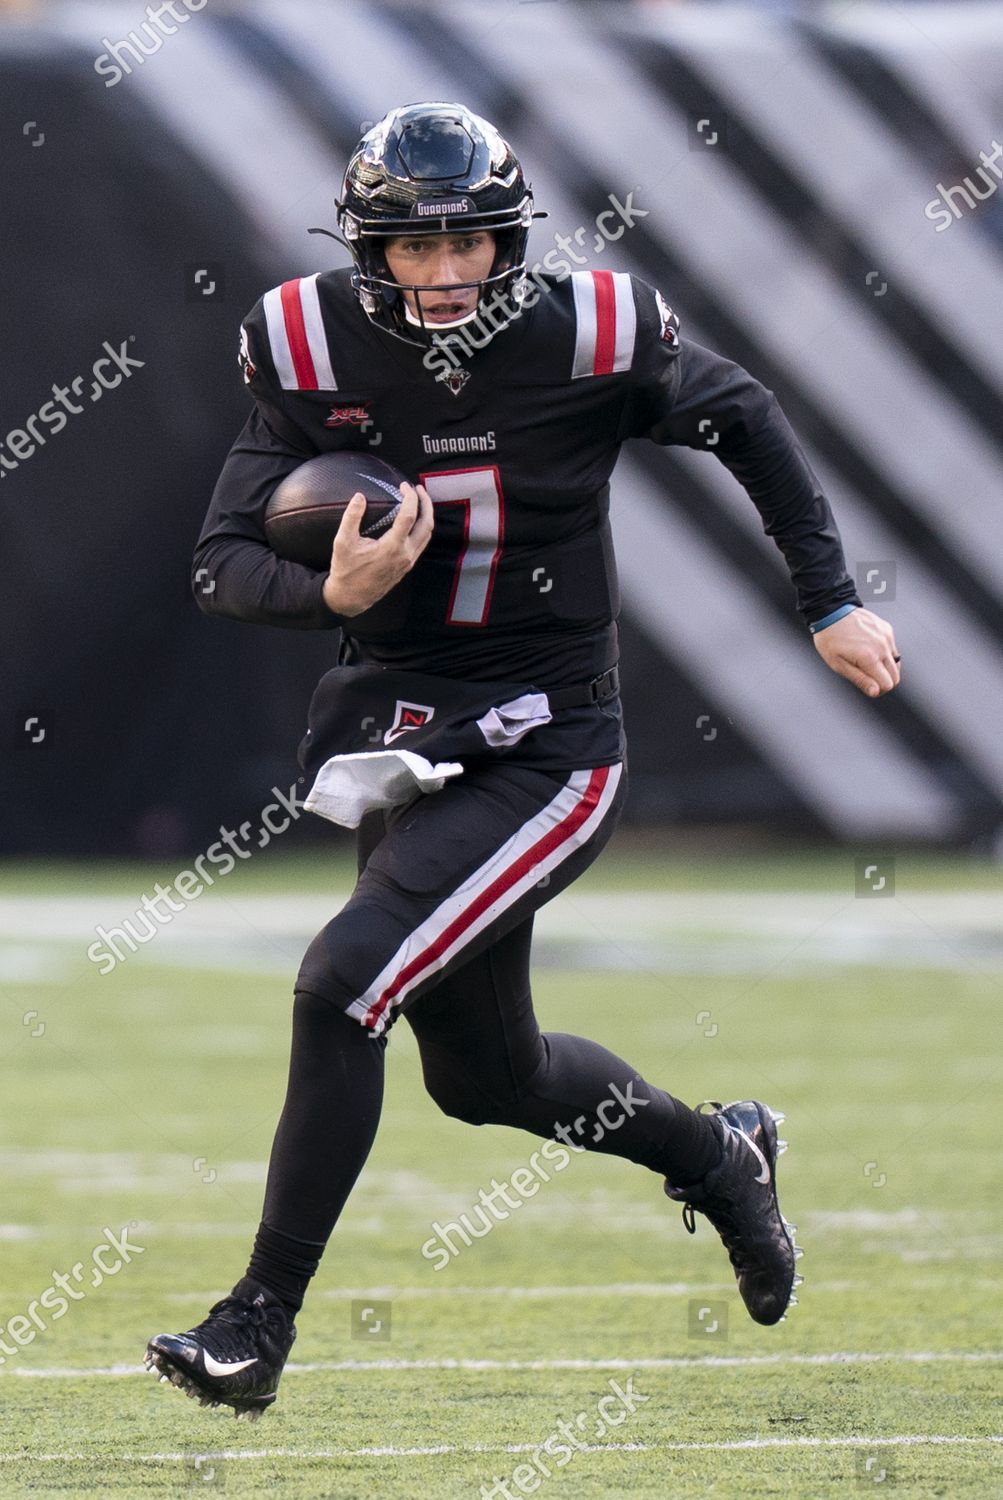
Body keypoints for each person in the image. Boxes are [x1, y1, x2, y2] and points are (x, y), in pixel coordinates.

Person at [145, 102, 900, 1419]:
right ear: (366, 249)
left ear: (509, 241)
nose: (442, 276)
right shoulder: (306, 340)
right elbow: (222, 564)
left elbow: (746, 418)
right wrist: (333, 588)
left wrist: (827, 597)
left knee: (343, 980)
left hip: (551, 740)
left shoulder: (594, 329)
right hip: (406, 735)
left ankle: (254, 1324)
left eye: (467, 245)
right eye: (411, 249)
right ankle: (723, 1155)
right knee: (489, 1080)